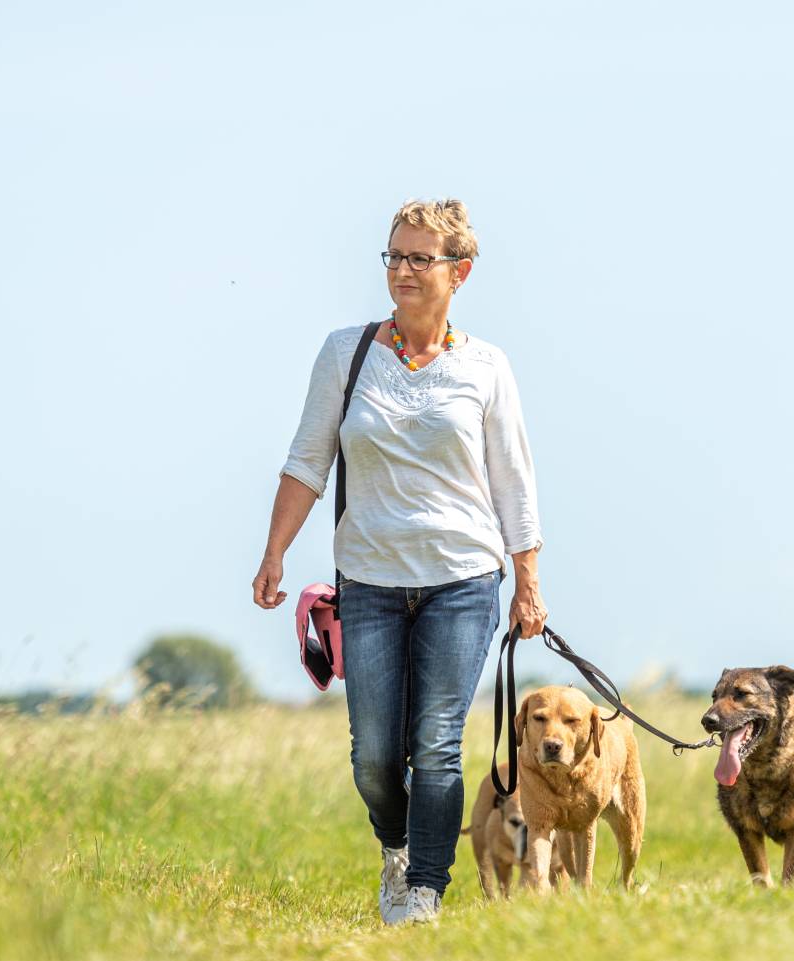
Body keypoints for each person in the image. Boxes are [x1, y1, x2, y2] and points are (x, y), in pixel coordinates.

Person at [252, 198, 545, 925]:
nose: (403, 270)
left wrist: (528, 584)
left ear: (460, 271)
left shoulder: (485, 366)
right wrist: (274, 552)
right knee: (375, 755)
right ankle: (395, 845)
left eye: (420, 258)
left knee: (436, 743)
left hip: (463, 579)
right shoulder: (346, 353)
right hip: (372, 580)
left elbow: (514, 480)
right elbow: (307, 459)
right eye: (394, 256)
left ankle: (423, 891)